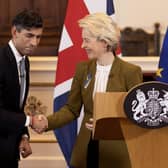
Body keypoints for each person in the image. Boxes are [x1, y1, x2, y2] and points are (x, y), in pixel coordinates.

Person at [34, 13, 143, 168]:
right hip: (87, 149)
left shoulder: (130, 72)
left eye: (86, 40)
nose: (82, 45)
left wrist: (109, 125)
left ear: (104, 42)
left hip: (116, 152)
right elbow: (71, 109)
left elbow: (135, 116)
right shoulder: (83, 69)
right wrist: (47, 122)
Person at [0, 10, 48, 168]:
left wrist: (23, 136)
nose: (34, 43)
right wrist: (30, 121)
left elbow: (15, 106)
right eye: (29, 36)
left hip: (10, 150)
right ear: (14, 32)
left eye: (38, 37)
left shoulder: (24, 61)